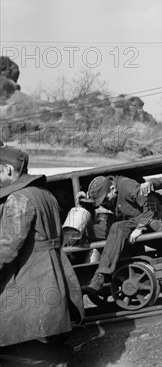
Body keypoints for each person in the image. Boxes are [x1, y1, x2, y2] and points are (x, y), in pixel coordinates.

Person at [0, 145, 84, 365]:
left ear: (8, 170)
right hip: (53, 269)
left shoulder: (18, 198)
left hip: (32, 274)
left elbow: (7, 246)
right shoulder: (44, 193)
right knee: (45, 334)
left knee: (23, 338)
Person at [81, 175, 162, 292]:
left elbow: (151, 206)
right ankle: (92, 268)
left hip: (152, 218)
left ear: (112, 189)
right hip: (130, 220)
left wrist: (140, 228)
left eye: (105, 199)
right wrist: (85, 202)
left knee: (117, 227)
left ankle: (101, 275)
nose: (104, 203)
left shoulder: (126, 186)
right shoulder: (109, 195)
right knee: (91, 228)